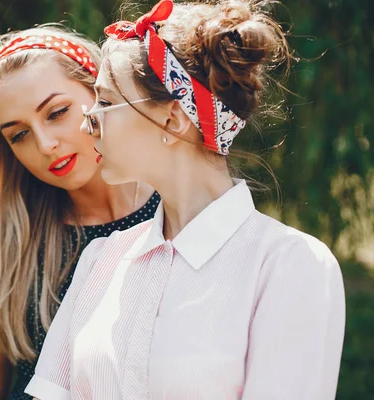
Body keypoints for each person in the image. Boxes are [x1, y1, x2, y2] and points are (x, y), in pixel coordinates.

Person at [26, 1, 346, 399]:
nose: (86, 123)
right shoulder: (100, 261)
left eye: (106, 103)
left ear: (172, 117)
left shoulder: (289, 266)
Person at [0, 25, 159, 399]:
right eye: (19, 135)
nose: (45, 144)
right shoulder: (17, 242)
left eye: (56, 112)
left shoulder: (176, 212)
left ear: (100, 92)